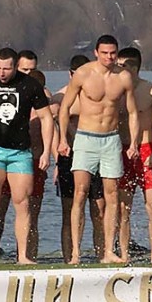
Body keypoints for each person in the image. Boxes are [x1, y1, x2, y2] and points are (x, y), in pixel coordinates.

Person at [57, 35, 138, 264]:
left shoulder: (123, 77)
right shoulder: (83, 74)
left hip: (110, 139)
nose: (109, 57)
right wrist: (63, 139)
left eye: (113, 53)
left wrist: (132, 142)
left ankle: (108, 251)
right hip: (85, 139)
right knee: (80, 194)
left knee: (112, 195)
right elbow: (64, 108)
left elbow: (132, 112)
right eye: (105, 53)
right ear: (96, 52)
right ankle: (75, 253)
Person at [0, 47, 53, 265]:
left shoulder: (29, 85)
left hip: (20, 153)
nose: (2, 72)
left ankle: (23, 256)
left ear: (15, 66)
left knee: (22, 203)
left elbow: (46, 118)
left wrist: (46, 151)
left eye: (7, 68)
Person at [116, 47, 152, 264]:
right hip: (122, 150)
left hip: (147, 149)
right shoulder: (115, 90)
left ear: (135, 68)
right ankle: (123, 254)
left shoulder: (151, 90)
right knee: (122, 207)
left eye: (123, 66)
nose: (118, 70)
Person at [0, 50, 50, 259]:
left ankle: (27, 256)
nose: (28, 73)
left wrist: (51, 153)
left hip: (33, 160)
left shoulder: (44, 95)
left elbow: (52, 125)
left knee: (30, 213)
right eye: (25, 69)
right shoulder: (6, 91)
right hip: (6, 156)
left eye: (32, 70)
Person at [50, 55, 106, 262]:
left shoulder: (98, 94)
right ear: (70, 74)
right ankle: (71, 257)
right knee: (70, 209)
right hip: (70, 156)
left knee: (99, 208)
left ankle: (101, 254)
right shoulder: (60, 98)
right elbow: (50, 127)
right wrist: (56, 156)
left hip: (95, 154)